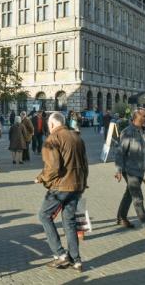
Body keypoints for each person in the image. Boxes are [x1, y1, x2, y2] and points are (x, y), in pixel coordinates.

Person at [36, 112, 89, 272]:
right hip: (77, 185)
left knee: (44, 215)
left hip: (61, 187)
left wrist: (41, 178)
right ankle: (76, 260)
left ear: (52, 125)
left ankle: (60, 254)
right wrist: (83, 183)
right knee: (69, 221)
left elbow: (53, 167)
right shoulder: (76, 136)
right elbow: (85, 163)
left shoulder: (52, 139)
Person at [114, 109, 145, 236]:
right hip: (129, 170)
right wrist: (118, 170)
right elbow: (120, 152)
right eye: (143, 116)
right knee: (137, 198)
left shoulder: (143, 131)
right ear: (135, 118)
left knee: (129, 194)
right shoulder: (127, 132)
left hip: (140, 170)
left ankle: (121, 217)